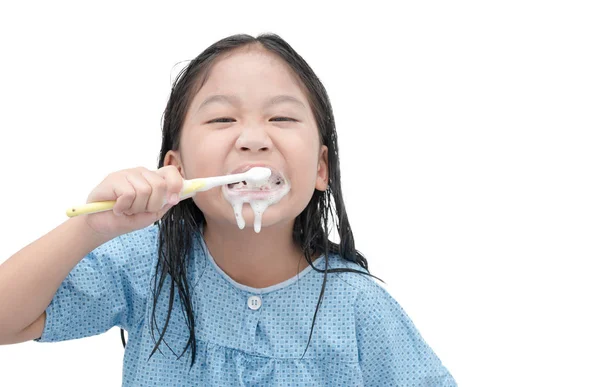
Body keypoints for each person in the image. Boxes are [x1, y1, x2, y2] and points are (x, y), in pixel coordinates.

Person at [0, 33, 456, 386]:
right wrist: (91, 231)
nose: (253, 138)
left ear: (321, 169)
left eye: (281, 118)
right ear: (175, 170)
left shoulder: (359, 306)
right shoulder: (146, 267)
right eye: (222, 119)